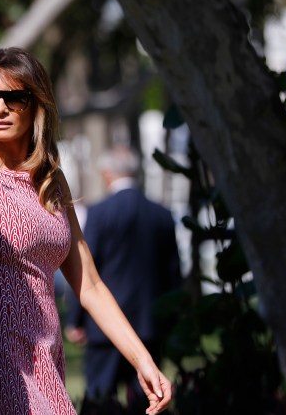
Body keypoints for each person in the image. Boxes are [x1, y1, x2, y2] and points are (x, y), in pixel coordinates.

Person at [0, 47, 172, 415]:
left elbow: (90, 284)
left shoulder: (52, 182)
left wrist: (142, 360)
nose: (0, 108)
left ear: (36, 104)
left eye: (14, 98)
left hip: (45, 354)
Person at [65, 146, 182, 414]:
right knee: (147, 401)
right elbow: (173, 272)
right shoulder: (162, 214)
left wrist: (76, 320)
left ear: (107, 173)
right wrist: (169, 319)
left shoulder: (99, 213)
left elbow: (85, 269)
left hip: (103, 327)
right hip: (149, 323)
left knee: (100, 400)